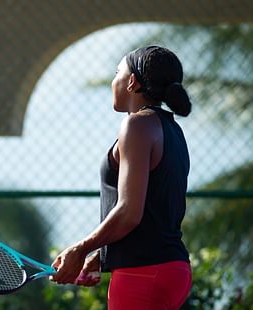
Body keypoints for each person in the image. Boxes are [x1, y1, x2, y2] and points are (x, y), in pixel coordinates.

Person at [50, 46, 193, 309]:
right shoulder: (171, 129)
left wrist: (79, 249)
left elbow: (129, 212)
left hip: (144, 273)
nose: (112, 81)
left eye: (117, 72)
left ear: (132, 81)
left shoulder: (136, 125)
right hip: (173, 268)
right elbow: (153, 211)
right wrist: (102, 257)